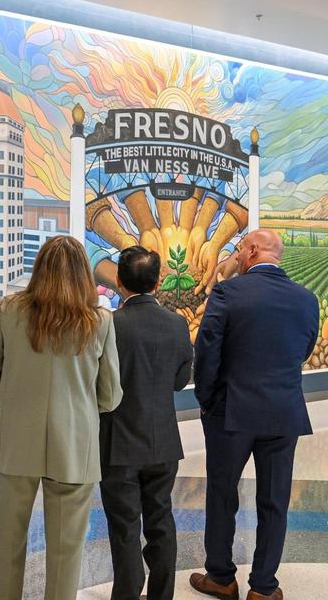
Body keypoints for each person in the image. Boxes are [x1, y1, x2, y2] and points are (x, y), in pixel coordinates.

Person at [0, 235, 123, 600]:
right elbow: (110, 396)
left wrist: (14, 395)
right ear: (84, 274)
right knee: (66, 548)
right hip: (74, 444)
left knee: (7, 540)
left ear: (38, 268)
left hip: (13, 441)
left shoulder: (9, 311)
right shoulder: (100, 320)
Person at [190, 229, 318, 600]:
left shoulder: (228, 292)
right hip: (283, 412)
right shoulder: (306, 299)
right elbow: (304, 350)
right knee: (275, 501)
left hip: (231, 412)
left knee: (222, 494)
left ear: (250, 250)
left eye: (239, 250)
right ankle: (263, 587)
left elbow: (207, 353)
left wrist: (206, 399)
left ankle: (220, 576)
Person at [100, 246, 193, 600]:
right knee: (161, 521)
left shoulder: (110, 324)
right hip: (163, 442)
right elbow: (179, 380)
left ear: (120, 281)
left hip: (117, 443)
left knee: (124, 527)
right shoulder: (177, 323)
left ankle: (126, 593)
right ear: (158, 282)